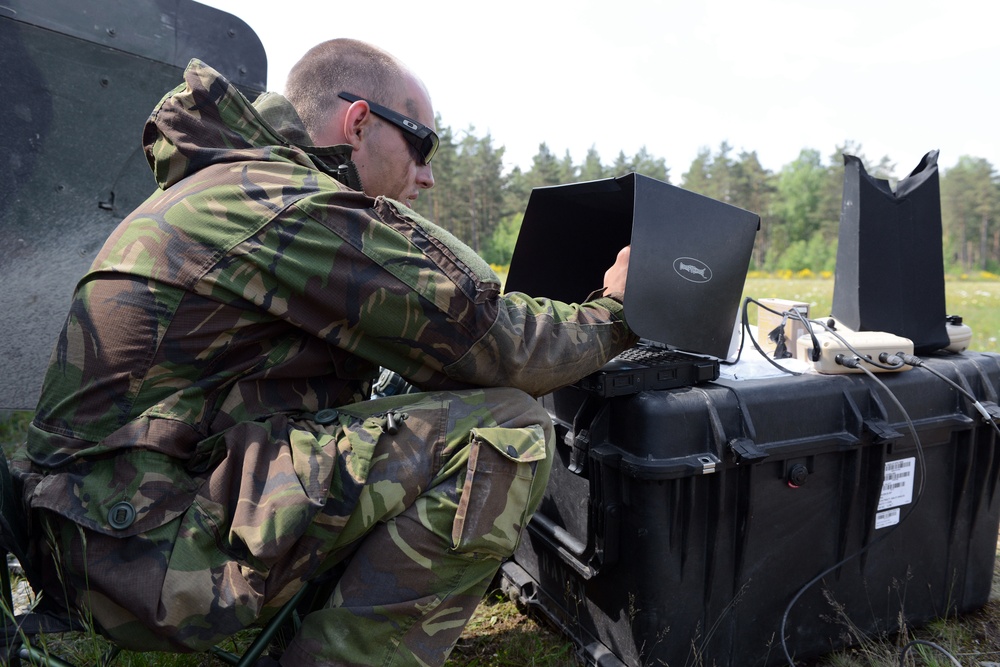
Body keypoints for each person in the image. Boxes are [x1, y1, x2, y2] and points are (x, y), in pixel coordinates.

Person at [13, 38, 636, 666]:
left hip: (97, 534)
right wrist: (618, 312)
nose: (427, 174)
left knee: (407, 401)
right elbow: (501, 349)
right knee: (508, 433)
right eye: (422, 146)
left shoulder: (234, 182)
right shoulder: (282, 203)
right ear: (360, 122)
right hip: (137, 556)